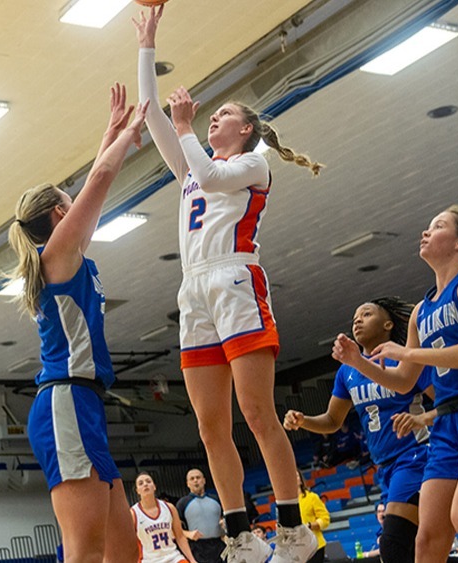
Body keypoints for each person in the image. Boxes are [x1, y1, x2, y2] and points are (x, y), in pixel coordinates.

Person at [133, 6, 322, 563]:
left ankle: (292, 526)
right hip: (193, 290)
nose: (212, 121)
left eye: (224, 117)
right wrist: (148, 41)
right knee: (211, 427)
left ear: (247, 130)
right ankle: (239, 534)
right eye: (209, 118)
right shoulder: (190, 167)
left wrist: (189, 128)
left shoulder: (253, 167)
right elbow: (150, 115)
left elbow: (211, 173)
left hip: (236, 278)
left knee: (257, 413)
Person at [332, 205, 458, 563]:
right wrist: (357, 361)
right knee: (427, 541)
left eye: (437, 226)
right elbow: (403, 383)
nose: (425, 232)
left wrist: (409, 354)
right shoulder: (422, 310)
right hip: (448, 423)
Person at [8, 83, 146, 563]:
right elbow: (101, 179)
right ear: (58, 214)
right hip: (64, 401)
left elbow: (94, 190)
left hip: (84, 403)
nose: (80, 204)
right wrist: (127, 134)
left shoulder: (68, 253)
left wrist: (110, 132)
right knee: (84, 550)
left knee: (125, 551)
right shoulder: (57, 258)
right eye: (72, 201)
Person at [286, 297, 431, 563]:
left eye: (366, 314)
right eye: (354, 317)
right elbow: (332, 420)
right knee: (416, 550)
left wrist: (424, 419)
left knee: (392, 545)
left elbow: (446, 401)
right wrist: (303, 420)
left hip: (415, 457)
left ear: (388, 324)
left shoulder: (405, 358)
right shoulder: (347, 372)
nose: (357, 320)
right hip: (385, 467)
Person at [132, 472, 199, 563]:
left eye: (148, 481)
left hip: (172, 557)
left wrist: (192, 560)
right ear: (137, 491)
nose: (145, 484)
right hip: (150, 560)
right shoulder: (133, 513)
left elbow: (180, 537)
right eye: (141, 483)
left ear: (154, 486)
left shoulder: (169, 508)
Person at [176, 469, 226, 563]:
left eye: (198, 477)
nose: (195, 480)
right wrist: (189, 534)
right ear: (188, 483)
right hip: (197, 549)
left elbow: (224, 519)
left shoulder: (216, 499)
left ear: (204, 480)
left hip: (218, 546)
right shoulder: (182, 503)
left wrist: (224, 525)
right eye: (192, 478)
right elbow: (175, 531)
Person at [297, 470, 330, 563]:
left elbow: (325, 518)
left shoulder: (312, 497)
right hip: (296, 548)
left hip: (315, 545)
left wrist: (310, 525)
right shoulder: (287, 503)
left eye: (296, 476)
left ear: (300, 480)